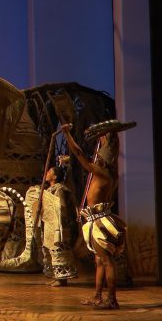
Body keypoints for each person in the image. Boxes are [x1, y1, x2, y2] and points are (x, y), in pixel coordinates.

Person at [61, 122, 126, 309]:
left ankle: (112, 299)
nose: (95, 157)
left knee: (106, 260)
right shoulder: (109, 173)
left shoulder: (101, 172)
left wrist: (67, 134)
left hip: (100, 222)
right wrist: (105, 138)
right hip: (97, 219)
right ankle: (98, 296)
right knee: (100, 261)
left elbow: (78, 153)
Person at [38, 163, 79, 286]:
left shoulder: (59, 189)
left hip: (59, 225)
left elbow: (61, 207)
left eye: (49, 172)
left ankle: (62, 279)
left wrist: (58, 223)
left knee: (59, 251)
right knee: (53, 251)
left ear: (55, 177)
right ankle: (57, 277)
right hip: (51, 224)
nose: (46, 174)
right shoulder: (50, 189)